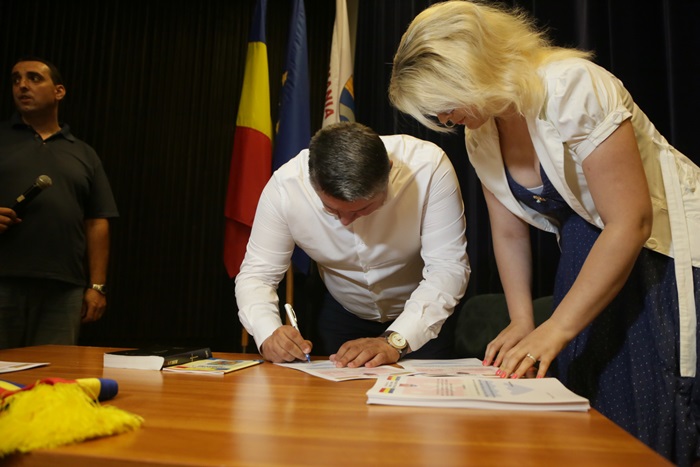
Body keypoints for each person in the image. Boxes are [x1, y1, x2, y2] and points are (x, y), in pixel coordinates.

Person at [388, 1, 700, 465]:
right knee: (584, 407)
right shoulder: (481, 133)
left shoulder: (571, 85)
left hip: (659, 256)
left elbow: (630, 220)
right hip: (588, 258)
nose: (446, 121)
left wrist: (557, 327)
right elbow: (508, 233)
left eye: (446, 105)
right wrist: (522, 320)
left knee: (645, 417)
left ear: (469, 71)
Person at [235, 122, 470, 368]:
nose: (346, 221)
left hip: (423, 315)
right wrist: (268, 333)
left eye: (362, 209)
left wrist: (395, 341)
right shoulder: (285, 188)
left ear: (389, 172)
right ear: (312, 181)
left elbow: (448, 267)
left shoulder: (429, 167)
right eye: (332, 210)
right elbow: (257, 275)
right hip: (342, 314)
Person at [0, 58, 119, 349]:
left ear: (59, 91)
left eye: (34, 78)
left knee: (53, 371)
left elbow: (97, 221)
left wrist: (97, 286)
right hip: (3, 279)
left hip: (64, 287)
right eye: (16, 80)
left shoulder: (84, 153)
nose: (22, 86)